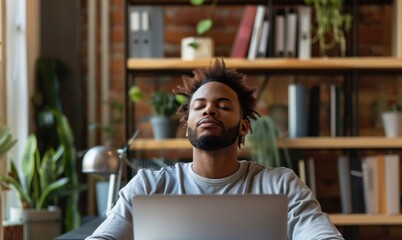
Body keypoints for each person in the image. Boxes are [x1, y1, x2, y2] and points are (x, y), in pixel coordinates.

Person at [86, 59, 344, 240]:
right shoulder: (148, 186)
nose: (209, 110)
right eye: (199, 106)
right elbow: (106, 235)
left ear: (244, 127)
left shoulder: (281, 184)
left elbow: (319, 233)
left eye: (223, 105)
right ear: (187, 125)